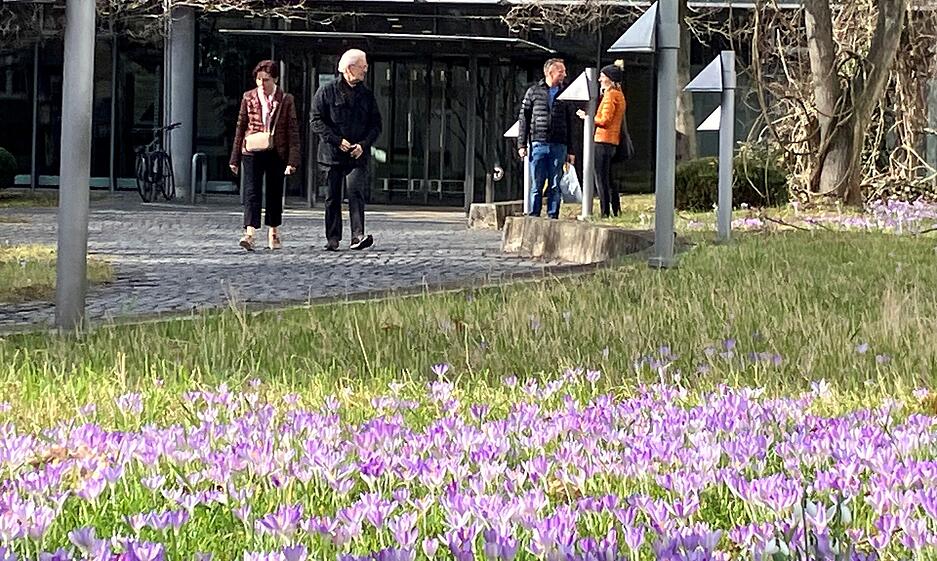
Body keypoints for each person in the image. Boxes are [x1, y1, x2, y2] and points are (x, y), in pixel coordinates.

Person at [311, 48, 382, 252]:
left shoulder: (366, 95)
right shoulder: (326, 91)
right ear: (350, 68)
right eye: (362, 66)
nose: (365, 70)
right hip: (332, 154)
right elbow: (316, 121)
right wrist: (336, 140)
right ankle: (333, 238)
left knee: (356, 192)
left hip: (356, 154)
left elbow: (376, 125)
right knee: (332, 196)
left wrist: (363, 144)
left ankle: (357, 235)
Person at [229, 60, 300, 251]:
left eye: (266, 80)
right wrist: (234, 158)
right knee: (252, 191)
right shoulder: (248, 97)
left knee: (274, 191)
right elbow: (240, 126)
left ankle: (274, 231)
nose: (262, 83)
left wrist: (293, 160)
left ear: (275, 79)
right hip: (252, 149)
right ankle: (250, 233)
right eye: (259, 79)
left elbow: (292, 130)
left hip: (276, 150)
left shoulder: (285, 99)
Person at [517, 58, 576, 220]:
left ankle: (553, 215)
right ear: (551, 73)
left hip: (559, 144)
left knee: (555, 183)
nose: (564, 74)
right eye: (561, 71)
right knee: (537, 183)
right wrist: (521, 144)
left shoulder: (566, 93)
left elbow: (571, 123)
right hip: (538, 143)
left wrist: (571, 149)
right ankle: (534, 215)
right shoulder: (533, 92)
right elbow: (524, 119)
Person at [578, 64, 626, 218]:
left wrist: (588, 117)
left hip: (603, 140)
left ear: (609, 79)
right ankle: (615, 209)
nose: (599, 79)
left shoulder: (611, 95)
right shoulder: (619, 94)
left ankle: (604, 211)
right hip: (612, 141)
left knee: (600, 177)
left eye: (602, 76)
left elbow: (605, 119)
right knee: (609, 177)